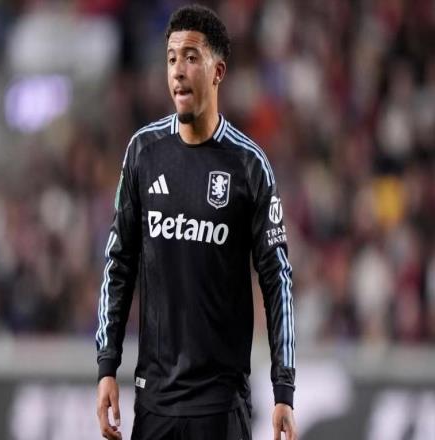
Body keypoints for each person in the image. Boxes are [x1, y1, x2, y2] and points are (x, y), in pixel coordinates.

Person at [95, 4, 297, 440]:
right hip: (154, 402)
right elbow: (119, 263)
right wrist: (107, 364)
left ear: (217, 71)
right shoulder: (143, 152)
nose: (178, 70)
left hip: (220, 406)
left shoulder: (249, 165)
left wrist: (284, 387)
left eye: (191, 57)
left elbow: (276, 278)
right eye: (171, 59)